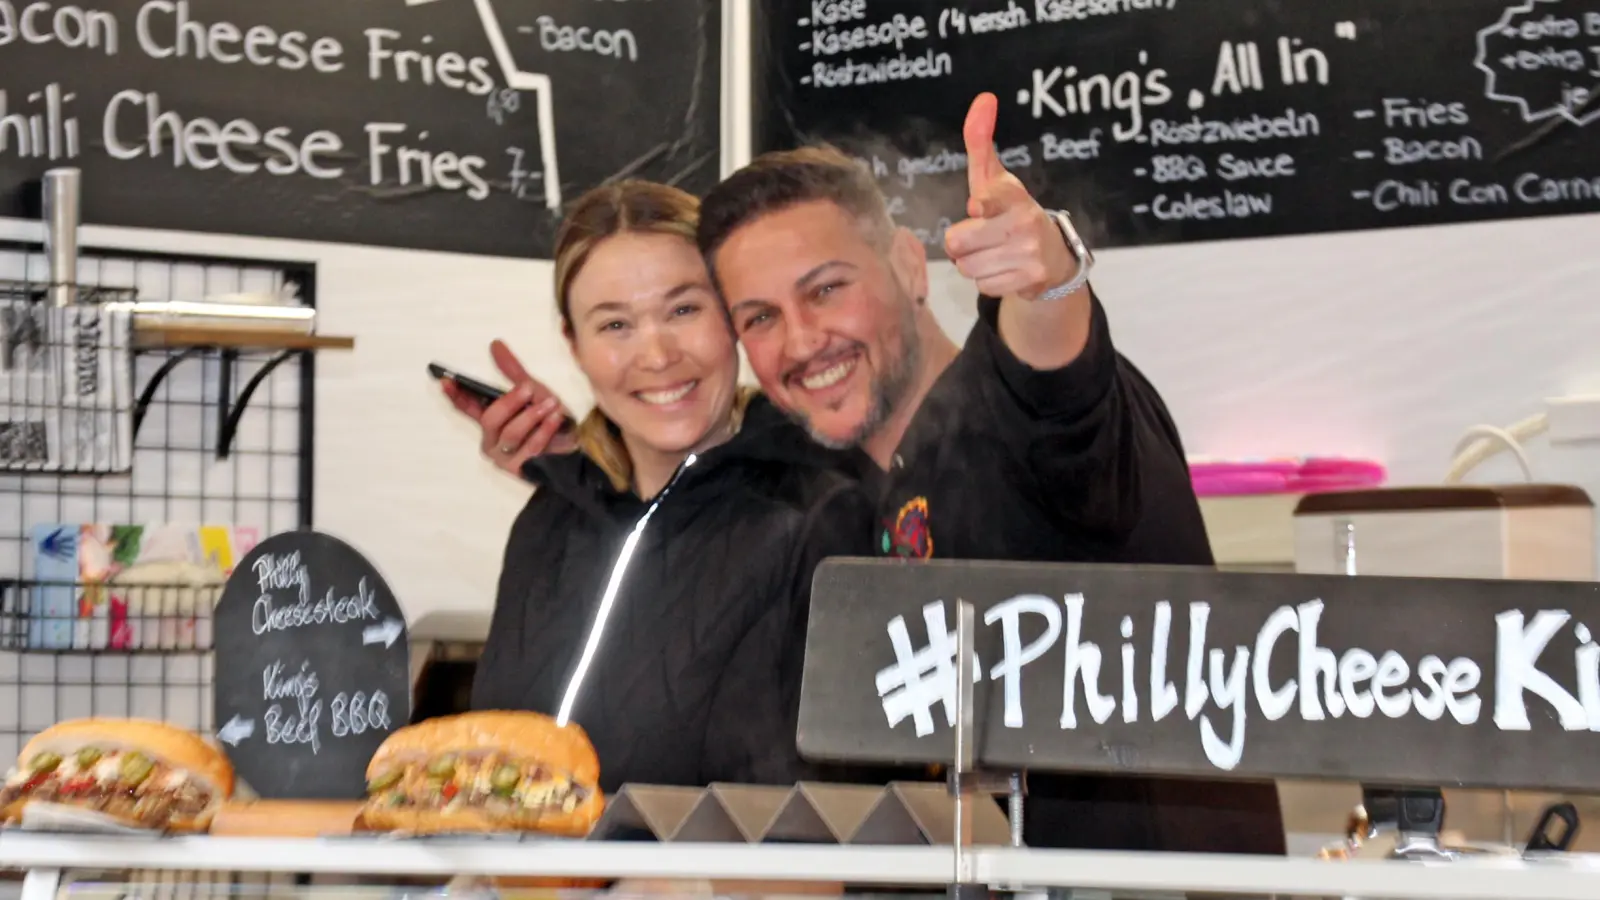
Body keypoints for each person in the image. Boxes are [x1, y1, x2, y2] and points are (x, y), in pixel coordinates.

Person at [453, 95, 1285, 854]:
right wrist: (578, 469)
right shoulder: (865, 480)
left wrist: (1049, 276)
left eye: (827, 289)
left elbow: (1057, 387)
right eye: (761, 317)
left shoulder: (1001, 410)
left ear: (910, 268)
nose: (803, 339)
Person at [466, 180, 876, 794]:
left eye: (684, 310)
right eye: (615, 325)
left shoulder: (819, 516)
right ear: (573, 345)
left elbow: (819, 817)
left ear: (735, 319)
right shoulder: (551, 518)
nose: (656, 355)